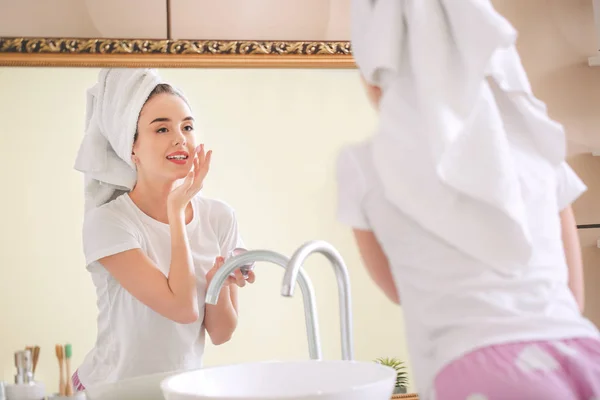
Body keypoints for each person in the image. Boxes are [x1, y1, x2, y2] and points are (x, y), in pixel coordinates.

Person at [338, 1, 600, 399]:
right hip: (582, 354)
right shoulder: (537, 150)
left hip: (478, 370)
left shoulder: (363, 167)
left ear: (374, 74)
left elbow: (400, 291)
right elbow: (572, 295)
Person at [72, 69, 254, 390]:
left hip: (179, 390)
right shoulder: (109, 223)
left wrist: (219, 283)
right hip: (112, 391)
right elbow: (182, 309)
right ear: (132, 149)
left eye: (187, 126)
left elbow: (221, 333)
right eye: (162, 129)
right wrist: (175, 209)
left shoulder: (220, 217)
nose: (179, 137)